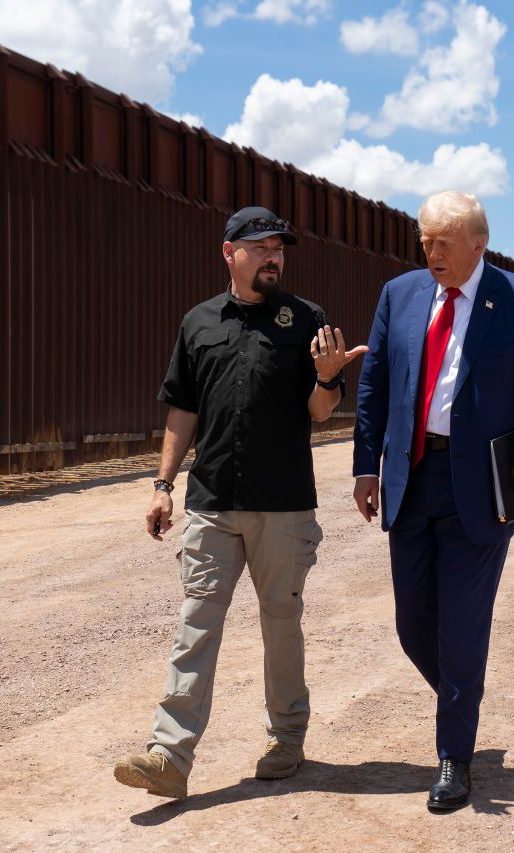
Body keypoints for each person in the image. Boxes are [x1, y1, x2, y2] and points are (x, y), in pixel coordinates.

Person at [114, 206, 367, 799]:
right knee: (195, 626)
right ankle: (169, 757)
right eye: (261, 247)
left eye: (280, 247)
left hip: (283, 506)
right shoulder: (199, 322)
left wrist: (328, 377)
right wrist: (162, 485)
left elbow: (319, 413)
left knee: (281, 626)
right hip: (212, 500)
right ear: (231, 253)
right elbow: (183, 408)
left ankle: (286, 738)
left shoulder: (307, 320)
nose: (274, 256)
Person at [352, 191, 514, 811]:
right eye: (424, 240)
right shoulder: (400, 295)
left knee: (464, 624)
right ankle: (461, 697)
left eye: (443, 242)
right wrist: (367, 466)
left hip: (481, 487)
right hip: (410, 478)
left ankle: (454, 757)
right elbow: (375, 387)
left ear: (479, 243)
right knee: (412, 622)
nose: (431, 253)